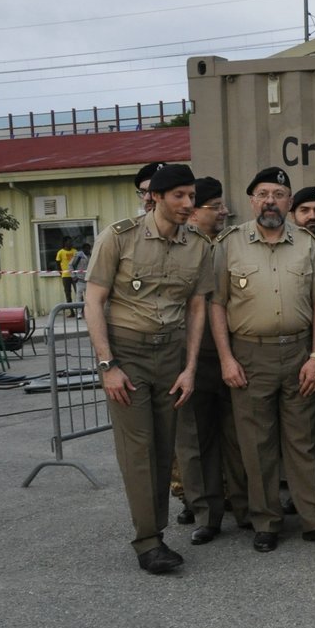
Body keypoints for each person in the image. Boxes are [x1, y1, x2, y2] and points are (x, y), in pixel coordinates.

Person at [82, 163, 213, 574]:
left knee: (163, 446)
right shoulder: (118, 238)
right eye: (179, 196)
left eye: (191, 196)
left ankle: (153, 532)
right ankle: (148, 541)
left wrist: (190, 367)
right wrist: (108, 365)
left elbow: (196, 307)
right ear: (155, 196)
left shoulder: (198, 245)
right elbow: (93, 302)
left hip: (170, 355)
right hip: (128, 354)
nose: (188, 204)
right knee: (138, 451)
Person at [209, 166, 315, 553]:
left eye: (279, 194)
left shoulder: (307, 244)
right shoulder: (229, 244)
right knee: (256, 443)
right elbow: (216, 305)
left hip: (299, 352)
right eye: (263, 194)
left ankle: (313, 520)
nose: (271, 201)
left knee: (302, 441)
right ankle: (265, 521)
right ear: (252, 200)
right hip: (249, 354)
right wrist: (226, 359)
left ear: (289, 202)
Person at [175, 176, 249, 544]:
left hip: (234, 352)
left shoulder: (232, 243)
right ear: (193, 213)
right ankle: (205, 512)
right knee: (195, 439)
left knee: (239, 436)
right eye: (215, 206)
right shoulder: (179, 247)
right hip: (193, 356)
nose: (223, 211)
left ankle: (245, 506)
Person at [54, 240, 77, 306]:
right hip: (66, 276)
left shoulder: (75, 251)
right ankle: (71, 311)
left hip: (74, 275)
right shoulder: (60, 252)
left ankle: (80, 311)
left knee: (78, 292)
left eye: (71, 242)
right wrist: (61, 272)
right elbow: (57, 263)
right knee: (68, 293)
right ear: (65, 243)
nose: (71, 243)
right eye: (69, 242)